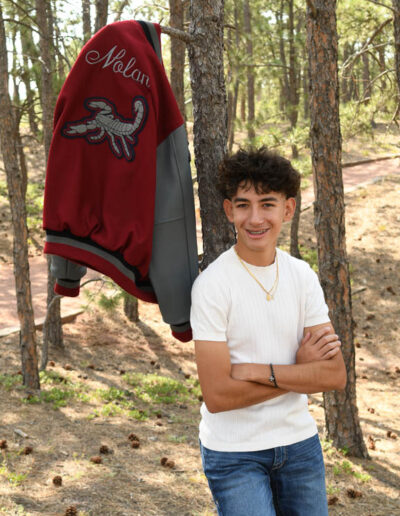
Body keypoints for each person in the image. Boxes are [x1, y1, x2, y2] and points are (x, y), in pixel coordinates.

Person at [190, 147, 347, 516]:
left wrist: (262, 371)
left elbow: (334, 374)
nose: (255, 218)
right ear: (229, 210)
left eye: (267, 204)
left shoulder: (302, 277)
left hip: (299, 444)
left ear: (288, 209)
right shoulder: (212, 286)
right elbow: (218, 396)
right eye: (243, 205)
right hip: (234, 453)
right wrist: (299, 370)